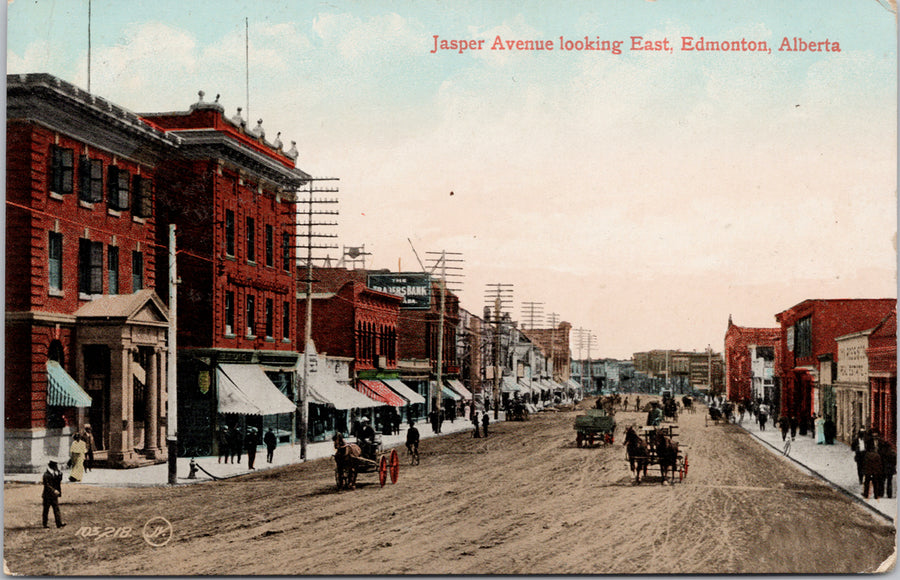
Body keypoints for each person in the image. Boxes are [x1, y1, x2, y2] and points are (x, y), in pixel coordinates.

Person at [42, 460, 65, 529]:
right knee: (46, 510)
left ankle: (59, 523)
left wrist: (60, 474)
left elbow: (58, 481)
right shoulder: (46, 475)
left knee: (56, 509)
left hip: (54, 495)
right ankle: (45, 524)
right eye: (55, 466)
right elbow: (47, 485)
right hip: (47, 496)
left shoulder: (55, 473)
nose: (56, 467)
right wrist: (54, 490)